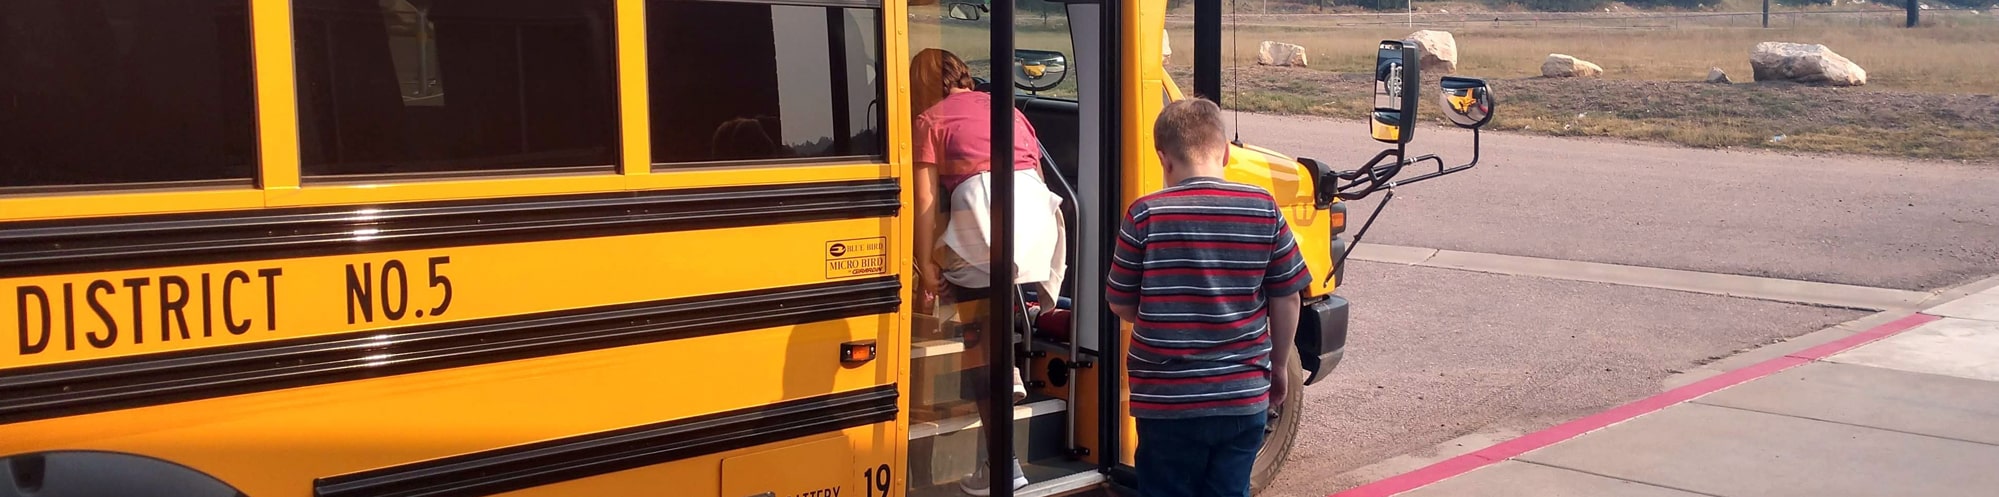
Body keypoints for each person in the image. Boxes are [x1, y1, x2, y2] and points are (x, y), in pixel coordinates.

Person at [1105, 98, 1309, 497]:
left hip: (1166, 401)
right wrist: (1278, 366)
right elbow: (1288, 298)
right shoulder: (1263, 209)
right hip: (1241, 393)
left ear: (1164, 160)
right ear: (1227, 152)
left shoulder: (1145, 215)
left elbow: (1120, 302)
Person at [908, 48, 1068, 496]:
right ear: (963, 75)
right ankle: (1009, 355)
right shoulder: (1010, 112)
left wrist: (926, 268)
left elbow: (923, 205)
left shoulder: (929, 121)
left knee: (977, 341)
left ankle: (1003, 464)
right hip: (1036, 232)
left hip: (983, 237)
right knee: (994, 309)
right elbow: (1034, 173)